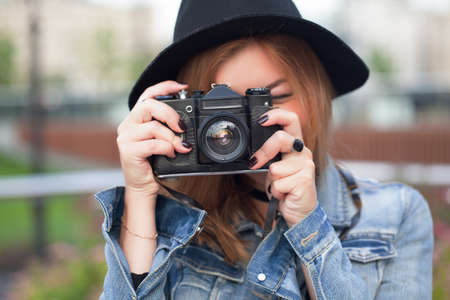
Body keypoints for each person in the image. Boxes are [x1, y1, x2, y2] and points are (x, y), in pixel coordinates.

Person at [95, 0, 434, 299]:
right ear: (184, 117)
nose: (233, 130)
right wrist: (140, 198)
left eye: (268, 100)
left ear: (314, 94)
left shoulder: (396, 214)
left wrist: (308, 223)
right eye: (220, 111)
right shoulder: (175, 227)